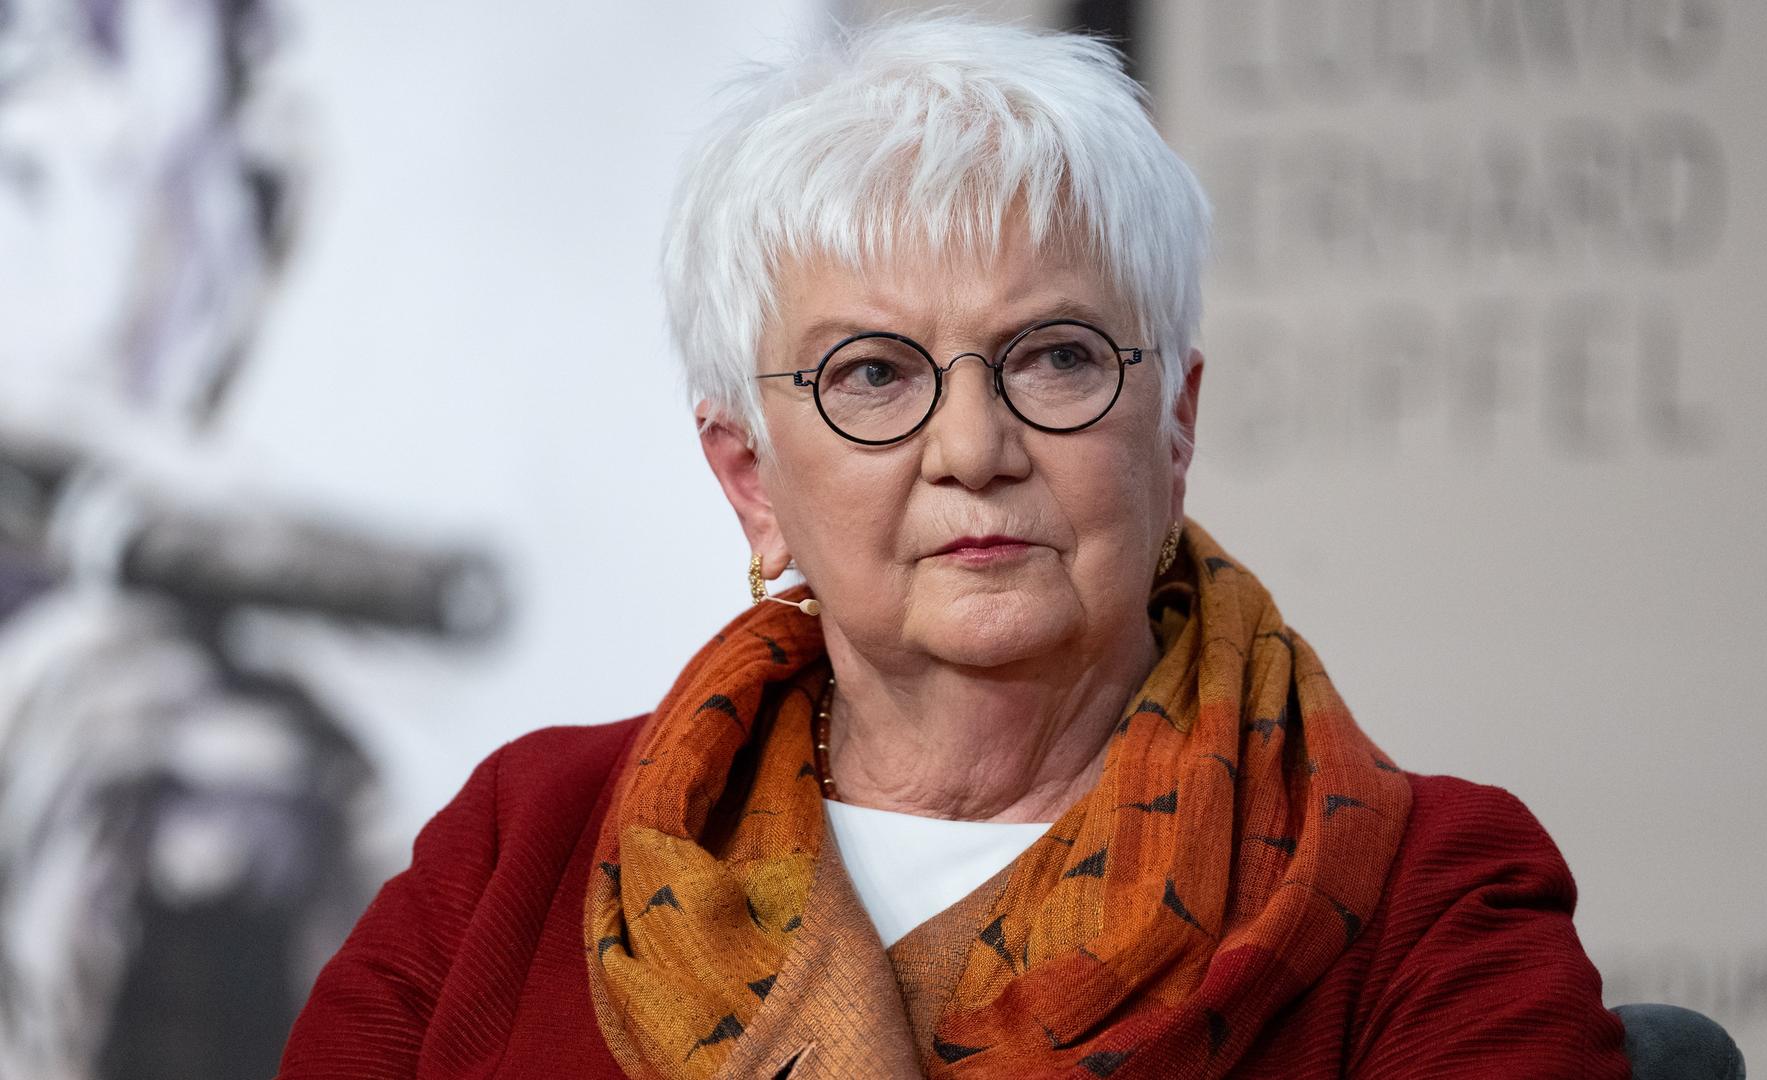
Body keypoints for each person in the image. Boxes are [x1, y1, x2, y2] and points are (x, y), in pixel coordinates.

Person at [281, 16, 1629, 1079]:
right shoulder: (519, 854)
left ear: (1175, 428)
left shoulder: (1430, 900)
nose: (972, 446)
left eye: (1054, 357)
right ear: (750, 477)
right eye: (873, 375)